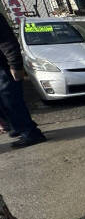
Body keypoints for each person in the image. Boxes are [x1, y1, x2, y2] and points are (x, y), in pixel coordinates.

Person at [0, 12, 46, 148]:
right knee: (5, 103)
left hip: (3, 68)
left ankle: (30, 133)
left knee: (11, 101)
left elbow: (8, 42)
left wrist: (15, 65)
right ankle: (17, 128)